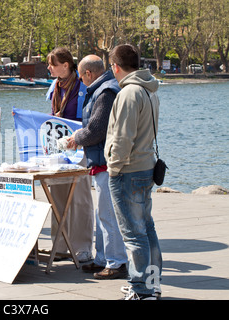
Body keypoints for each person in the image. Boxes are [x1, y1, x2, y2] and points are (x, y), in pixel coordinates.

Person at [105, 44, 162, 299]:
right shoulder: (150, 90)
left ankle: (141, 290)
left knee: (133, 233)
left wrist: (114, 168)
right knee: (146, 228)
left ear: (115, 66)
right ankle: (151, 285)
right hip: (145, 166)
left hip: (128, 170)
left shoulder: (129, 93)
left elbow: (123, 138)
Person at [67, 55, 128, 279]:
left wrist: (76, 137)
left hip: (106, 163)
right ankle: (103, 258)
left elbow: (96, 130)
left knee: (108, 215)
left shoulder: (104, 93)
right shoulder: (107, 88)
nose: (81, 81)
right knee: (103, 213)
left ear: (88, 74)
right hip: (103, 161)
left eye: (81, 76)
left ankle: (116, 262)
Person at [46, 47, 94, 263]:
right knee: (57, 195)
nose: (48, 68)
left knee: (80, 196)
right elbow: (52, 116)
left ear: (66, 65)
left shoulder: (83, 86)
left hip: (79, 146)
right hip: (59, 146)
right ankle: (61, 244)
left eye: (52, 64)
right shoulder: (55, 86)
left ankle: (83, 246)